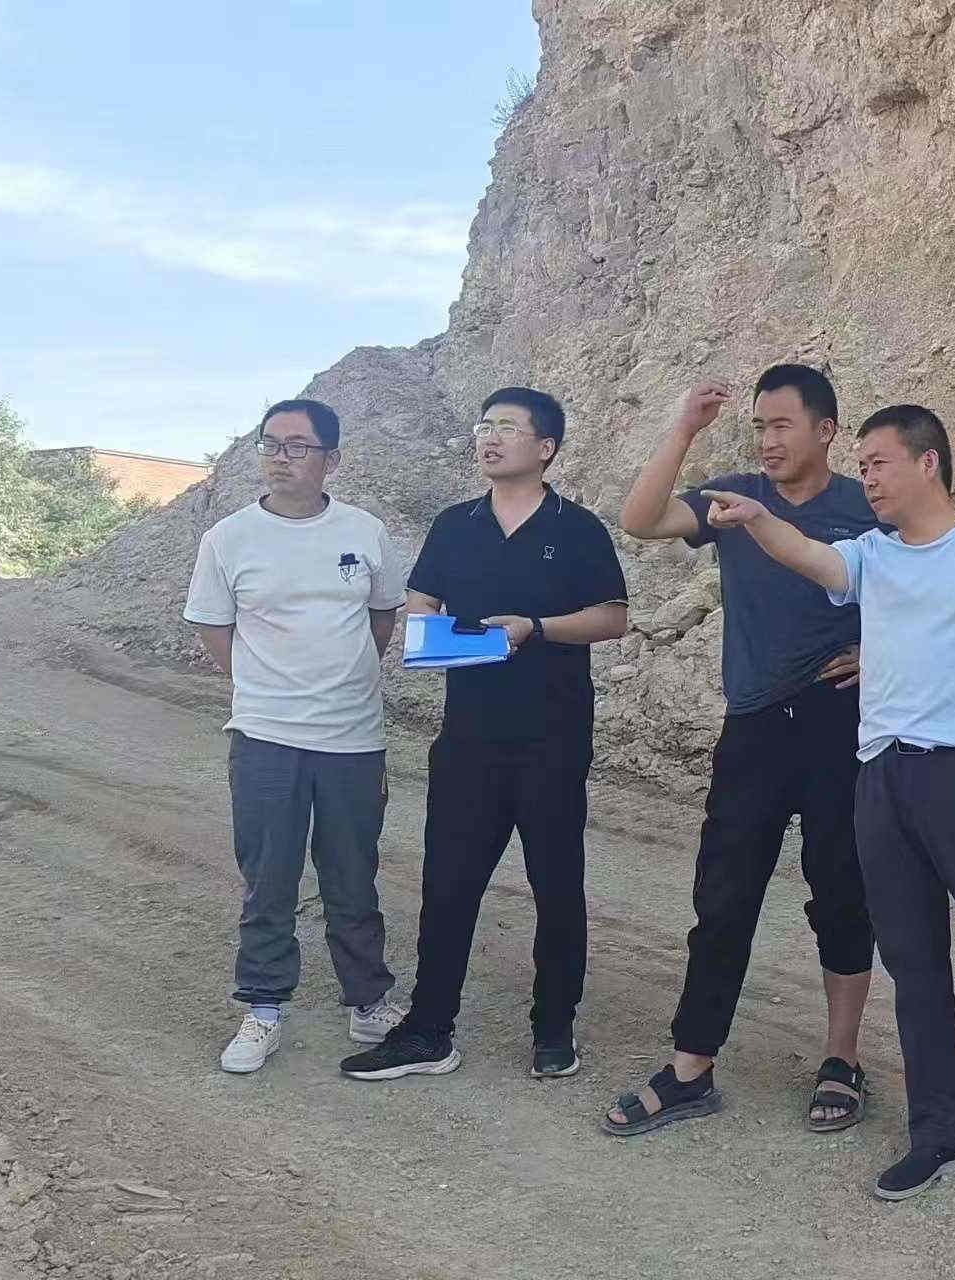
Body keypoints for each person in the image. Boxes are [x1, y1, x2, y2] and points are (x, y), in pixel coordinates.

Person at [700, 403, 955, 1207]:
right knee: (914, 967)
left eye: (878, 463)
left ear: (927, 463)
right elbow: (810, 556)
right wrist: (754, 518)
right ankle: (936, 1134)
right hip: (879, 779)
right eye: (863, 466)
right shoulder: (872, 556)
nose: (867, 479)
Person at [601, 365, 882, 1137]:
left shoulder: (864, 506)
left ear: (826, 430)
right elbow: (640, 520)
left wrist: (885, 650)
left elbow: (931, 585)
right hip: (753, 726)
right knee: (722, 899)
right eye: (758, 426)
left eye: (781, 424)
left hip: (840, 722)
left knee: (842, 896)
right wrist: (684, 427)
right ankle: (691, 1067)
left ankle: (842, 1059)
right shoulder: (731, 496)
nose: (767, 440)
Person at [340, 387, 628, 1082]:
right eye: (484, 426)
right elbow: (422, 597)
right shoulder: (455, 525)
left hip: (553, 737)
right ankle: (428, 1031)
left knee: (555, 885)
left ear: (546, 448)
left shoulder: (577, 528)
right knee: (448, 884)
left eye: (506, 427)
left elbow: (613, 616)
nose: (489, 438)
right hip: (468, 737)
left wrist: (537, 629)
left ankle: (553, 1029)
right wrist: (425, 630)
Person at [184, 398, 407, 1074]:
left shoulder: (364, 532)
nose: (281, 458)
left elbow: (382, 616)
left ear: (331, 459)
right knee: (268, 877)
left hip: (352, 738)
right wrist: (260, 685)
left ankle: (367, 1000)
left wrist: (343, 680)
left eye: (298, 446)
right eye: (271, 444)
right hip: (265, 738)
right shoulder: (229, 539)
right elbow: (213, 626)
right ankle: (263, 1008)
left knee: (353, 876)